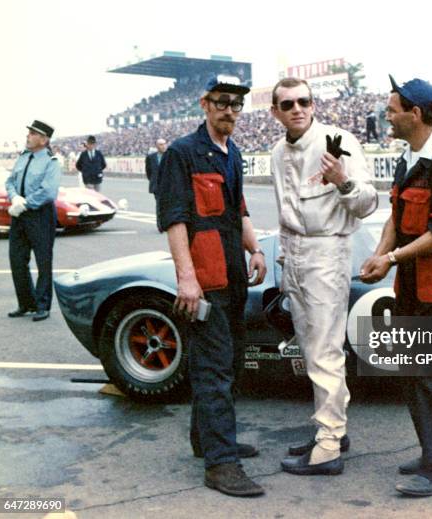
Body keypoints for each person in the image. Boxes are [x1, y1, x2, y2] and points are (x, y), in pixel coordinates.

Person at [360, 76, 432, 497]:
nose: (386, 117)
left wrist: (390, 259)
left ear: (415, 113)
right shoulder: (407, 158)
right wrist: (379, 254)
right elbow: (396, 216)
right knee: (414, 373)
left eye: (392, 110)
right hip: (411, 282)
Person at [157, 75, 267, 497]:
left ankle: (206, 439)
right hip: (204, 280)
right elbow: (174, 217)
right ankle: (221, 465)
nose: (230, 111)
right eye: (222, 103)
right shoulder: (183, 153)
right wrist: (187, 277)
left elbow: (238, 209)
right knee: (214, 369)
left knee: (231, 362)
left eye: (237, 105)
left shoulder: (232, 151)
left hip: (233, 276)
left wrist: (255, 250)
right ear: (205, 104)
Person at [270, 77, 378, 476]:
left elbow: (368, 203)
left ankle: (329, 446)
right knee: (311, 348)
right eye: (287, 104)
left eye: (304, 101)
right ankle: (332, 428)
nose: (297, 108)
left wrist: (342, 181)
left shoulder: (338, 139)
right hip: (295, 254)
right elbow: (284, 210)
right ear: (276, 112)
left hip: (328, 249)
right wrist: (284, 260)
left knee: (324, 353)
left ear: (313, 105)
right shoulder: (277, 152)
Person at [5, 120, 61, 322]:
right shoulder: (23, 157)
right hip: (19, 213)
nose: (28, 136)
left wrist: (25, 203)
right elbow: (10, 181)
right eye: (29, 132)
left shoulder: (51, 161)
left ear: (43, 139)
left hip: (40, 214)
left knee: (43, 261)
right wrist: (15, 198)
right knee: (17, 259)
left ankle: (42, 305)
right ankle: (26, 302)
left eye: (32, 133)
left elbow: (48, 191)